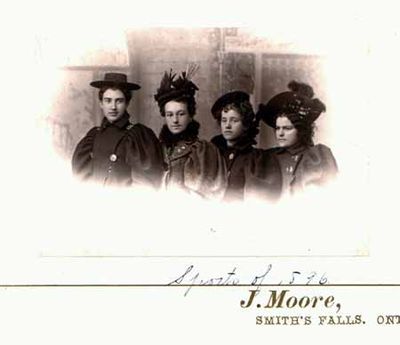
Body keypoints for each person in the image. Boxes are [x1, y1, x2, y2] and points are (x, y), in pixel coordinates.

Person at [72, 72, 164, 188]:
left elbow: (145, 185)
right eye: (108, 100)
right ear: (101, 103)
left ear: (127, 103)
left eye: (119, 101)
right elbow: (81, 179)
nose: (113, 107)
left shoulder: (138, 135)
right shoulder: (93, 136)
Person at [154, 66, 226, 199]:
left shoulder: (203, 151)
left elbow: (212, 196)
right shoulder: (157, 149)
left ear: (191, 116)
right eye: (170, 115)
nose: (175, 120)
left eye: (181, 114)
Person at [257, 80, 338, 195]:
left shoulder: (319, 156)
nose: (280, 133)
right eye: (278, 128)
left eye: (287, 128)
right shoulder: (267, 157)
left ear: (301, 131)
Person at [210, 91, 282, 202]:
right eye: (224, 120)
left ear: (245, 124)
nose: (227, 125)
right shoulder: (213, 154)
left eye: (234, 120)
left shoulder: (256, 159)